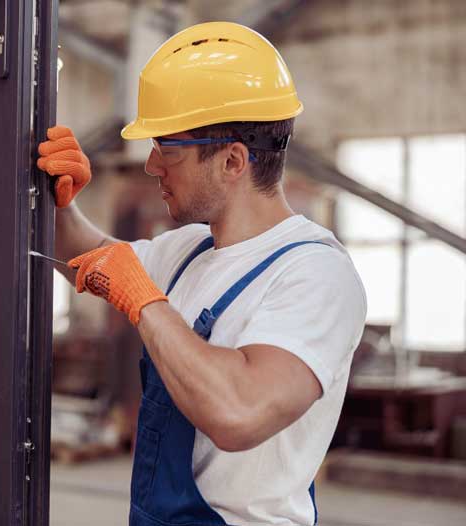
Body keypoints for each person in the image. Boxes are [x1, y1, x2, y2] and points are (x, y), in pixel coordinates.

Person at [37, 21, 367, 526]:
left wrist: (145, 303)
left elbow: (240, 413)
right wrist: (61, 205)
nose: (152, 165)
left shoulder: (316, 274)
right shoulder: (188, 251)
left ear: (232, 161)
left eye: (167, 147)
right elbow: (90, 256)